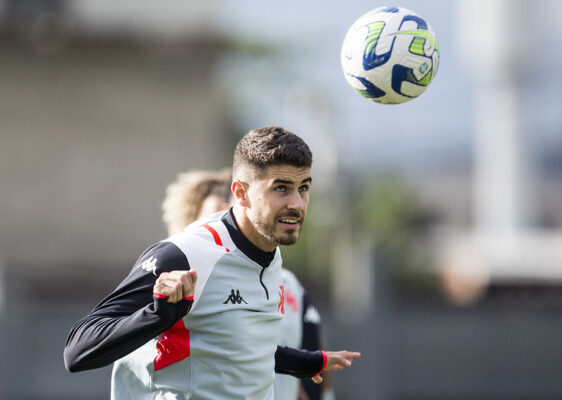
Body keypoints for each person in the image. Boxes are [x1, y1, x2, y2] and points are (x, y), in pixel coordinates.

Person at [64, 127, 359, 400]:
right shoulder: (185, 254)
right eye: (281, 188)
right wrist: (158, 315)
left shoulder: (270, 253)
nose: (296, 203)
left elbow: (237, 346)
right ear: (241, 193)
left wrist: (307, 362)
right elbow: (78, 350)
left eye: (303, 187)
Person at [161, 169, 334, 400]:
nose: (224, 220)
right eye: (213, 217)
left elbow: (314, 369)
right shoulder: (180, 289)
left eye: (229, 210)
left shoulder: (290, 285)